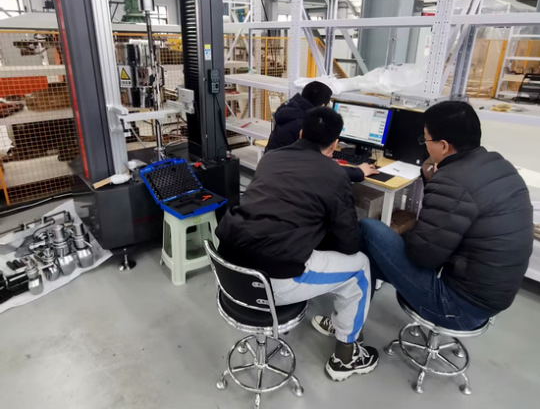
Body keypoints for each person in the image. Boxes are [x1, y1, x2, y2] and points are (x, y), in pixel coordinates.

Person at [217, 107, 379, 381]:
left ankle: (340, 322)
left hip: (230, 270)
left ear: (301, 133)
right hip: (273, 282)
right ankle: (346, 357)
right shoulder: (334, 174)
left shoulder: (271, 158)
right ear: (334, 145)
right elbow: (350, 243)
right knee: (360, 267)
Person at [356, 101, 533, 331]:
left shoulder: (452, 181)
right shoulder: (500, 166)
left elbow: (423, 255)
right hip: (491, 299)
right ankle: (350, 325)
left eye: (425, 140)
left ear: (443, 145)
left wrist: (402, 236)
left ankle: (346, 331)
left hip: (457, 307)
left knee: (370, 230)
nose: (425, 146)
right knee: (371, 256)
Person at [266, 81, 378, 182]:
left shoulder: (290, 112)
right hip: (288, 179)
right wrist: (359, 172)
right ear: (322, 106)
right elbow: (318, 167)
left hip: (272, 172)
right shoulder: (304, 125)